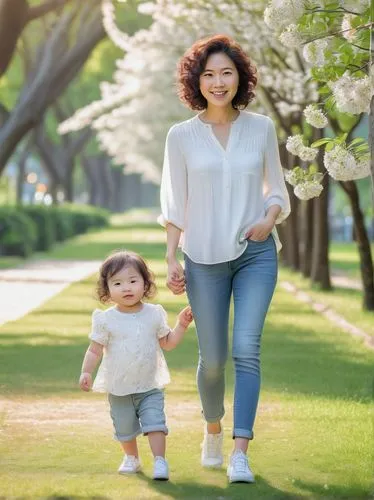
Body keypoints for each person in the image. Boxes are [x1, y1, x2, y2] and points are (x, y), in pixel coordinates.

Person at [159, 34, 291, 483]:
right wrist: (172, 258)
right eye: (209, 74)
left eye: (226, 73)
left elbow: (276, 187)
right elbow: (175, 202)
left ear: (240, 77)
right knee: (213, 359)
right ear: (197, 81)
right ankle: (212, 429)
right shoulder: (181, 136)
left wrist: (269, 217)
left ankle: (240, 451)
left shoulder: (262, 128)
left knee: (245, 350)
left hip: (256, 253)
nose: (218, 82)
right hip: (203, 257)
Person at [79, 250, 193, 481]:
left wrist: (180, 325)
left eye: (133, 281)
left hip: (149, 384)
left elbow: (168, 343)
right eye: (118, 283)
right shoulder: (105, 319)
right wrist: (86, 371)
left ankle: (160, 461)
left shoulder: (153, 314)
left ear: (145, 283)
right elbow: (94, 349)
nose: (126, 288)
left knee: (155, 423)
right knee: (124, 427)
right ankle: (132, 458)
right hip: (119, 386)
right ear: (107, 288)